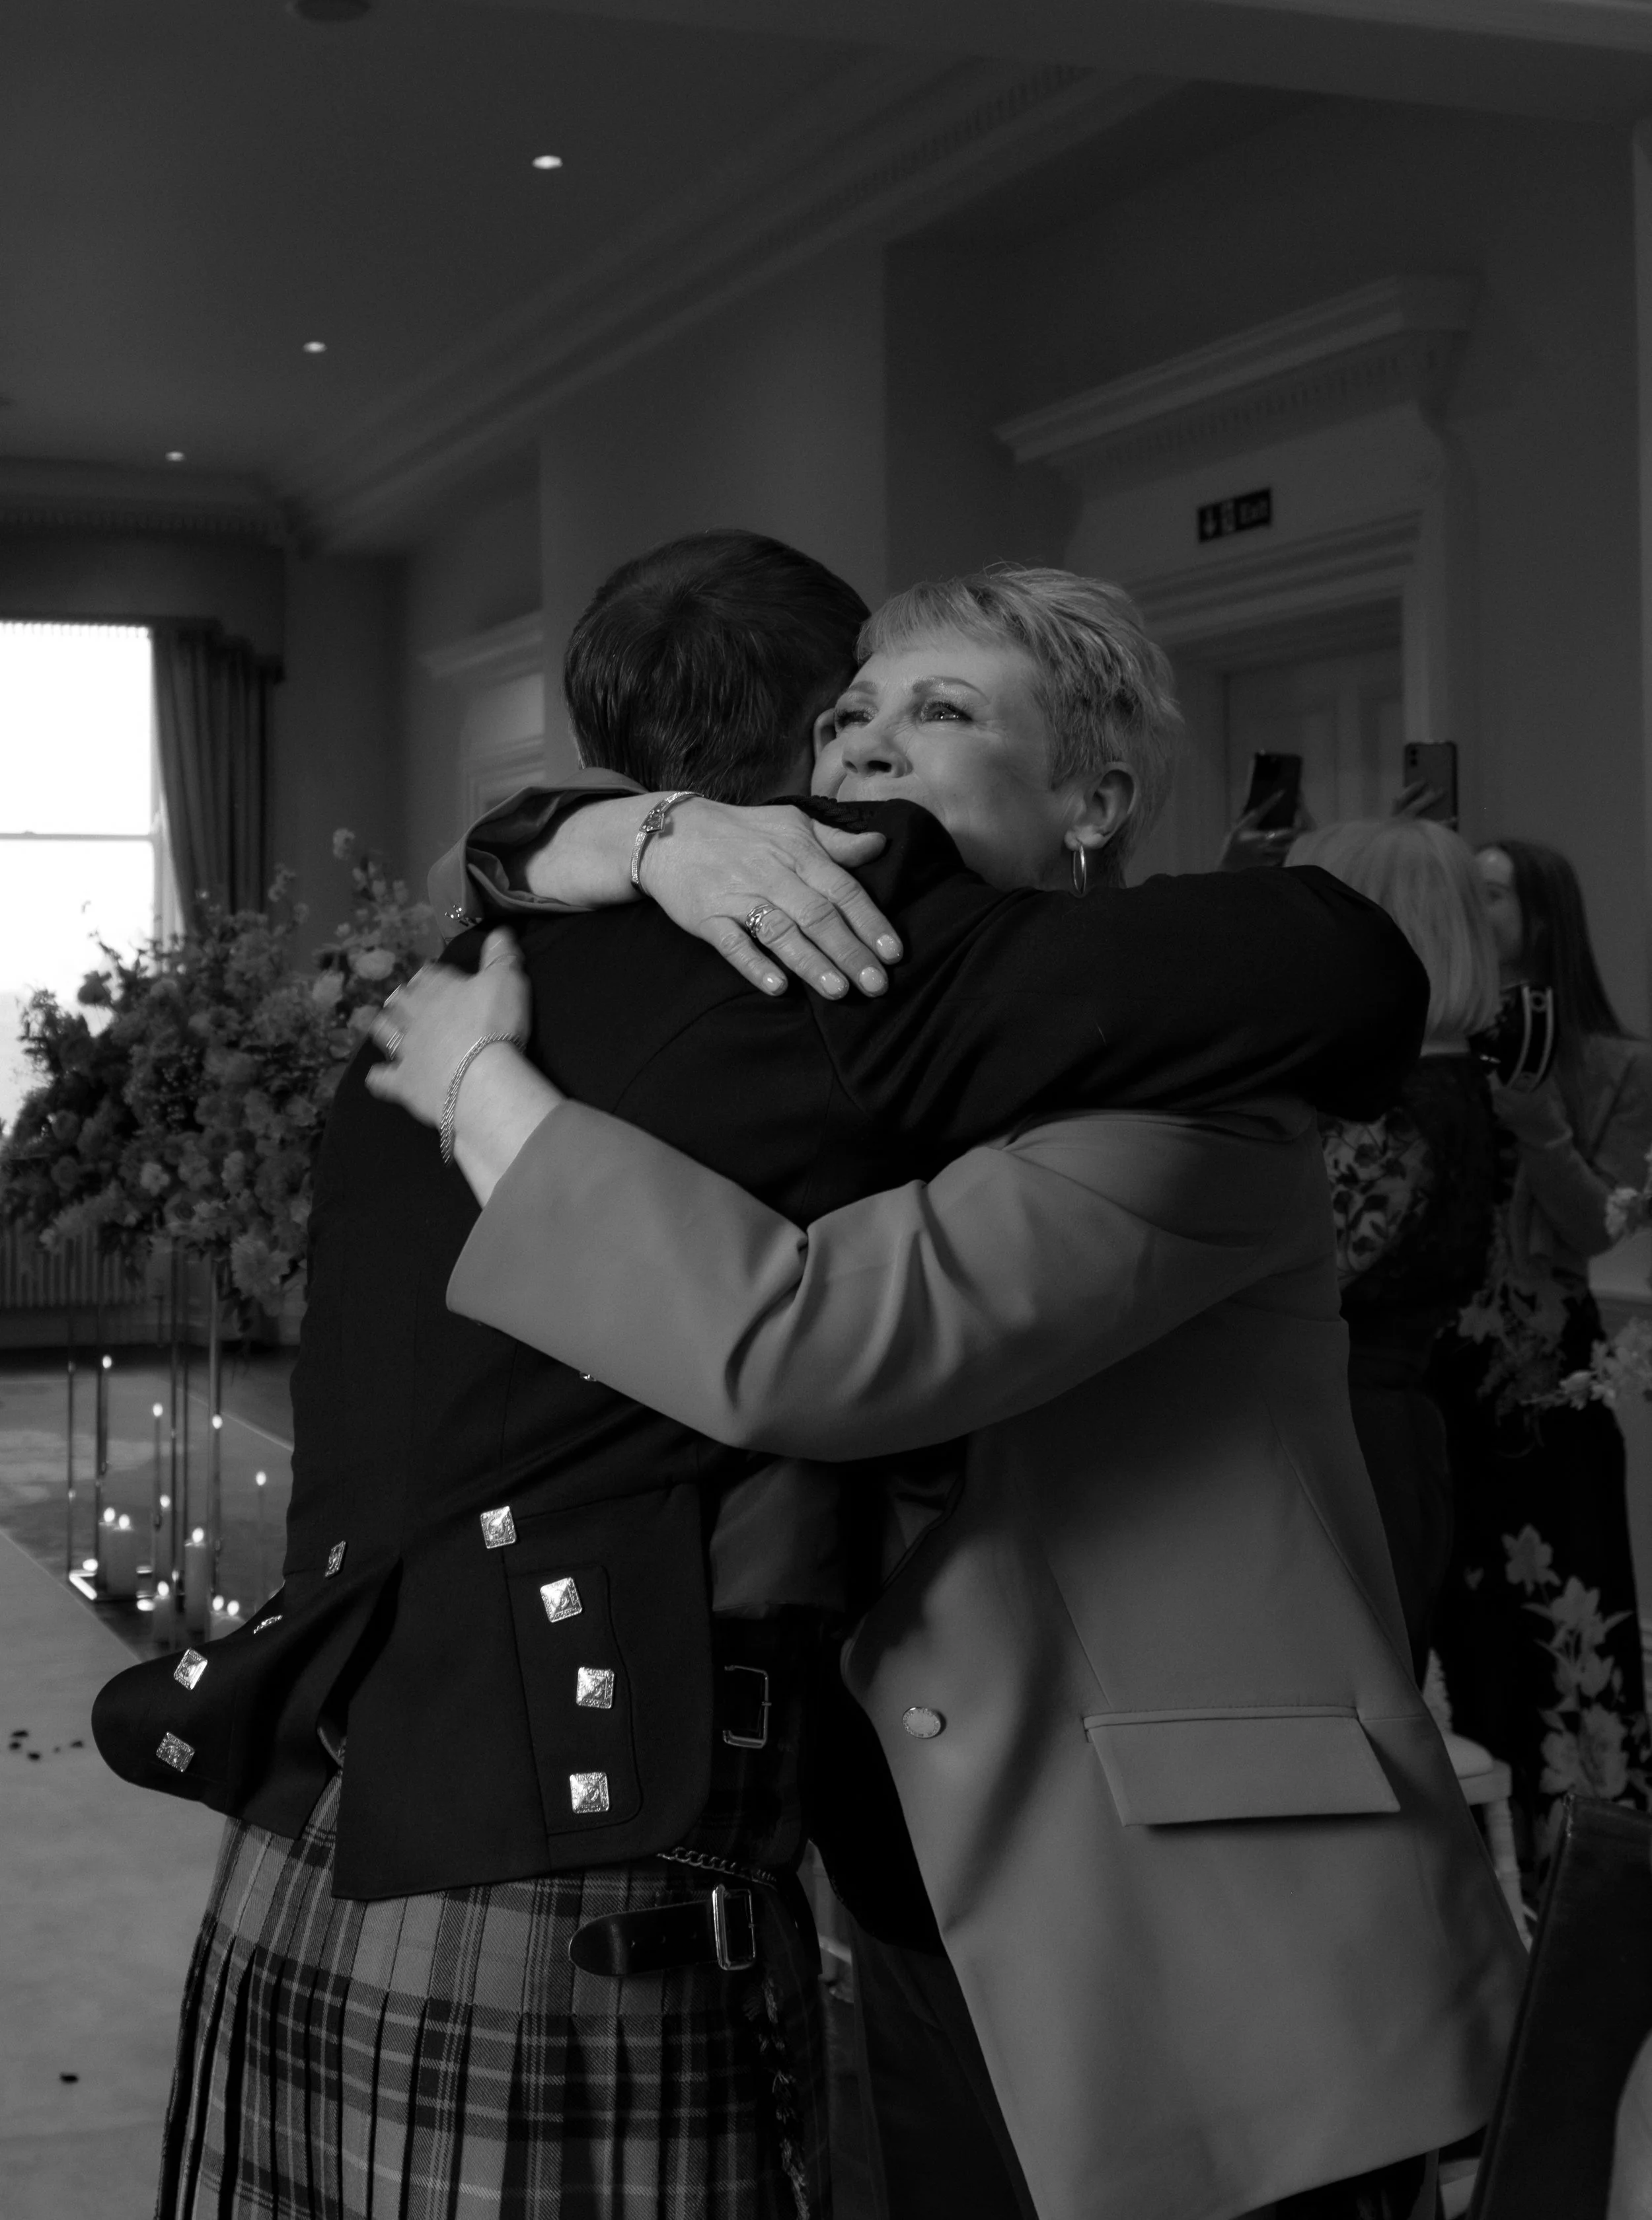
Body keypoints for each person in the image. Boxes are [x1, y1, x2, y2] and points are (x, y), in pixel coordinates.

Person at [96, 536, 1431, 2220]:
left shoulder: (1188, 1086)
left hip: (1180, 1888)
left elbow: (808, 1345)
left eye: (938, 709)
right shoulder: (859, 1016)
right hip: (890, 1853)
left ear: (1092, 802)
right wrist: (600, 831)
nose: (868, 742)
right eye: (848, 712)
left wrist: (487, 1083)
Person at [1431, 836, 1652, 1865]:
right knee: (1467, 1633)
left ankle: (1586, 1885)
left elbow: (1598, 1231)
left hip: (1553, 1389)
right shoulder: (1435, 1050)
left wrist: (1535, 1118)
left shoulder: (1619, 1065)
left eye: (1490, 898)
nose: (1472, 913)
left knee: (1573, 1633)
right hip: (1442, 1379)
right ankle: (1479, 1882)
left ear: (1543, 917)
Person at [1285, 819, 1502, 1679]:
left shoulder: (1399, 1103)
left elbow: (1304, 1270)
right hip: (1377, 1437)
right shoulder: (1442, 1079)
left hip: (1348, 1450)